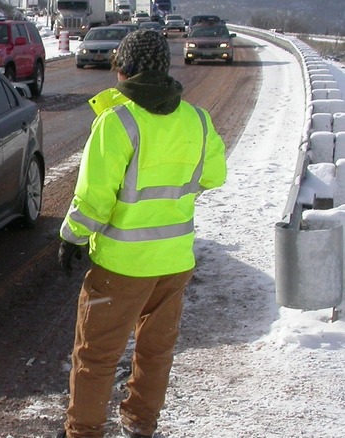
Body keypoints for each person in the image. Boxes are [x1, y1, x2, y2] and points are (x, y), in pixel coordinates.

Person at [56, 29, 227, 438]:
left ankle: (84, 432)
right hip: (175, 261)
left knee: (96, 356)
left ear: (124, 70)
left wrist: (73, 237)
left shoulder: (118, 122)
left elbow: (94, 198)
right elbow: (214, 176)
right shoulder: (197, 119)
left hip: (122, 264)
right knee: (155, 351)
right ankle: (140, 423)